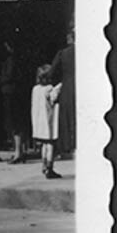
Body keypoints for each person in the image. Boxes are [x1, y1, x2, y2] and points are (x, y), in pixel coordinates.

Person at [0, 38, 31, 163]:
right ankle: (20, 151)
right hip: (19, 93)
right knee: (19, 123)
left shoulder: (11, 59)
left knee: (14, 123)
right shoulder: (22, 58)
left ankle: (18, 152)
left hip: (12, 94)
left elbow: (9, 75)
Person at [31, 65, 62, 179]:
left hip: (39, 122)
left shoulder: (35, 89)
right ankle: (50, 167)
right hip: (48, 122)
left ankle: (43, 165)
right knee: (50, 145)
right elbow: (54, 98)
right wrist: (59, 86)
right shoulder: (49, 89)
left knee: (44, 145)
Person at [49, 29, 76, 158]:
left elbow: (52, 72)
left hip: (67, 87)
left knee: (66, 117)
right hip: (79, 86)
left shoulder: (63, 53)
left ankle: (67, 147)